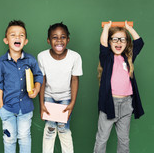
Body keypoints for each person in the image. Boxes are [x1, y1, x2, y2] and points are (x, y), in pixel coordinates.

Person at [93, 21, 144, 153]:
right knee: (102, 139)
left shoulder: (128, 57)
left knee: (124, 140)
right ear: (110, 42)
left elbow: (139, 42)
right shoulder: (107, 58)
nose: (118, 42)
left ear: (127, 42)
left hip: (126, 104)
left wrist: (128, 28)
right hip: (109, 103)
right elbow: (102, 44)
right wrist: (106, 28)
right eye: (115, 39)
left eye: (122, 39)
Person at [0, 20, 43, 153]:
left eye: (21, 35)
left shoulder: (30, 60)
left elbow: (38, 76)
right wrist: (1, 106)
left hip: (26, 108)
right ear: (6, 40)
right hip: (7, 108)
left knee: (25, 137)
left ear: (25, 41)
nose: (17, 37)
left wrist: (36, 90)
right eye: (13, 35)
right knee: (9, 139)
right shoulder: (1, 62)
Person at [38, 22, 83, 153]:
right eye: (54, 37)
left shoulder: (75, 57)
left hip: (66, 97)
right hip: (49, 96)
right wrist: (42, 104)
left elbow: (75, 79)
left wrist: (72, 103)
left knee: (63, 128)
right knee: (50, 128)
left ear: (68, 40)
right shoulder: (42, 56)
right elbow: (42, 80)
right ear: (48, 40)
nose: (59, 40)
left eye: (63, 37)